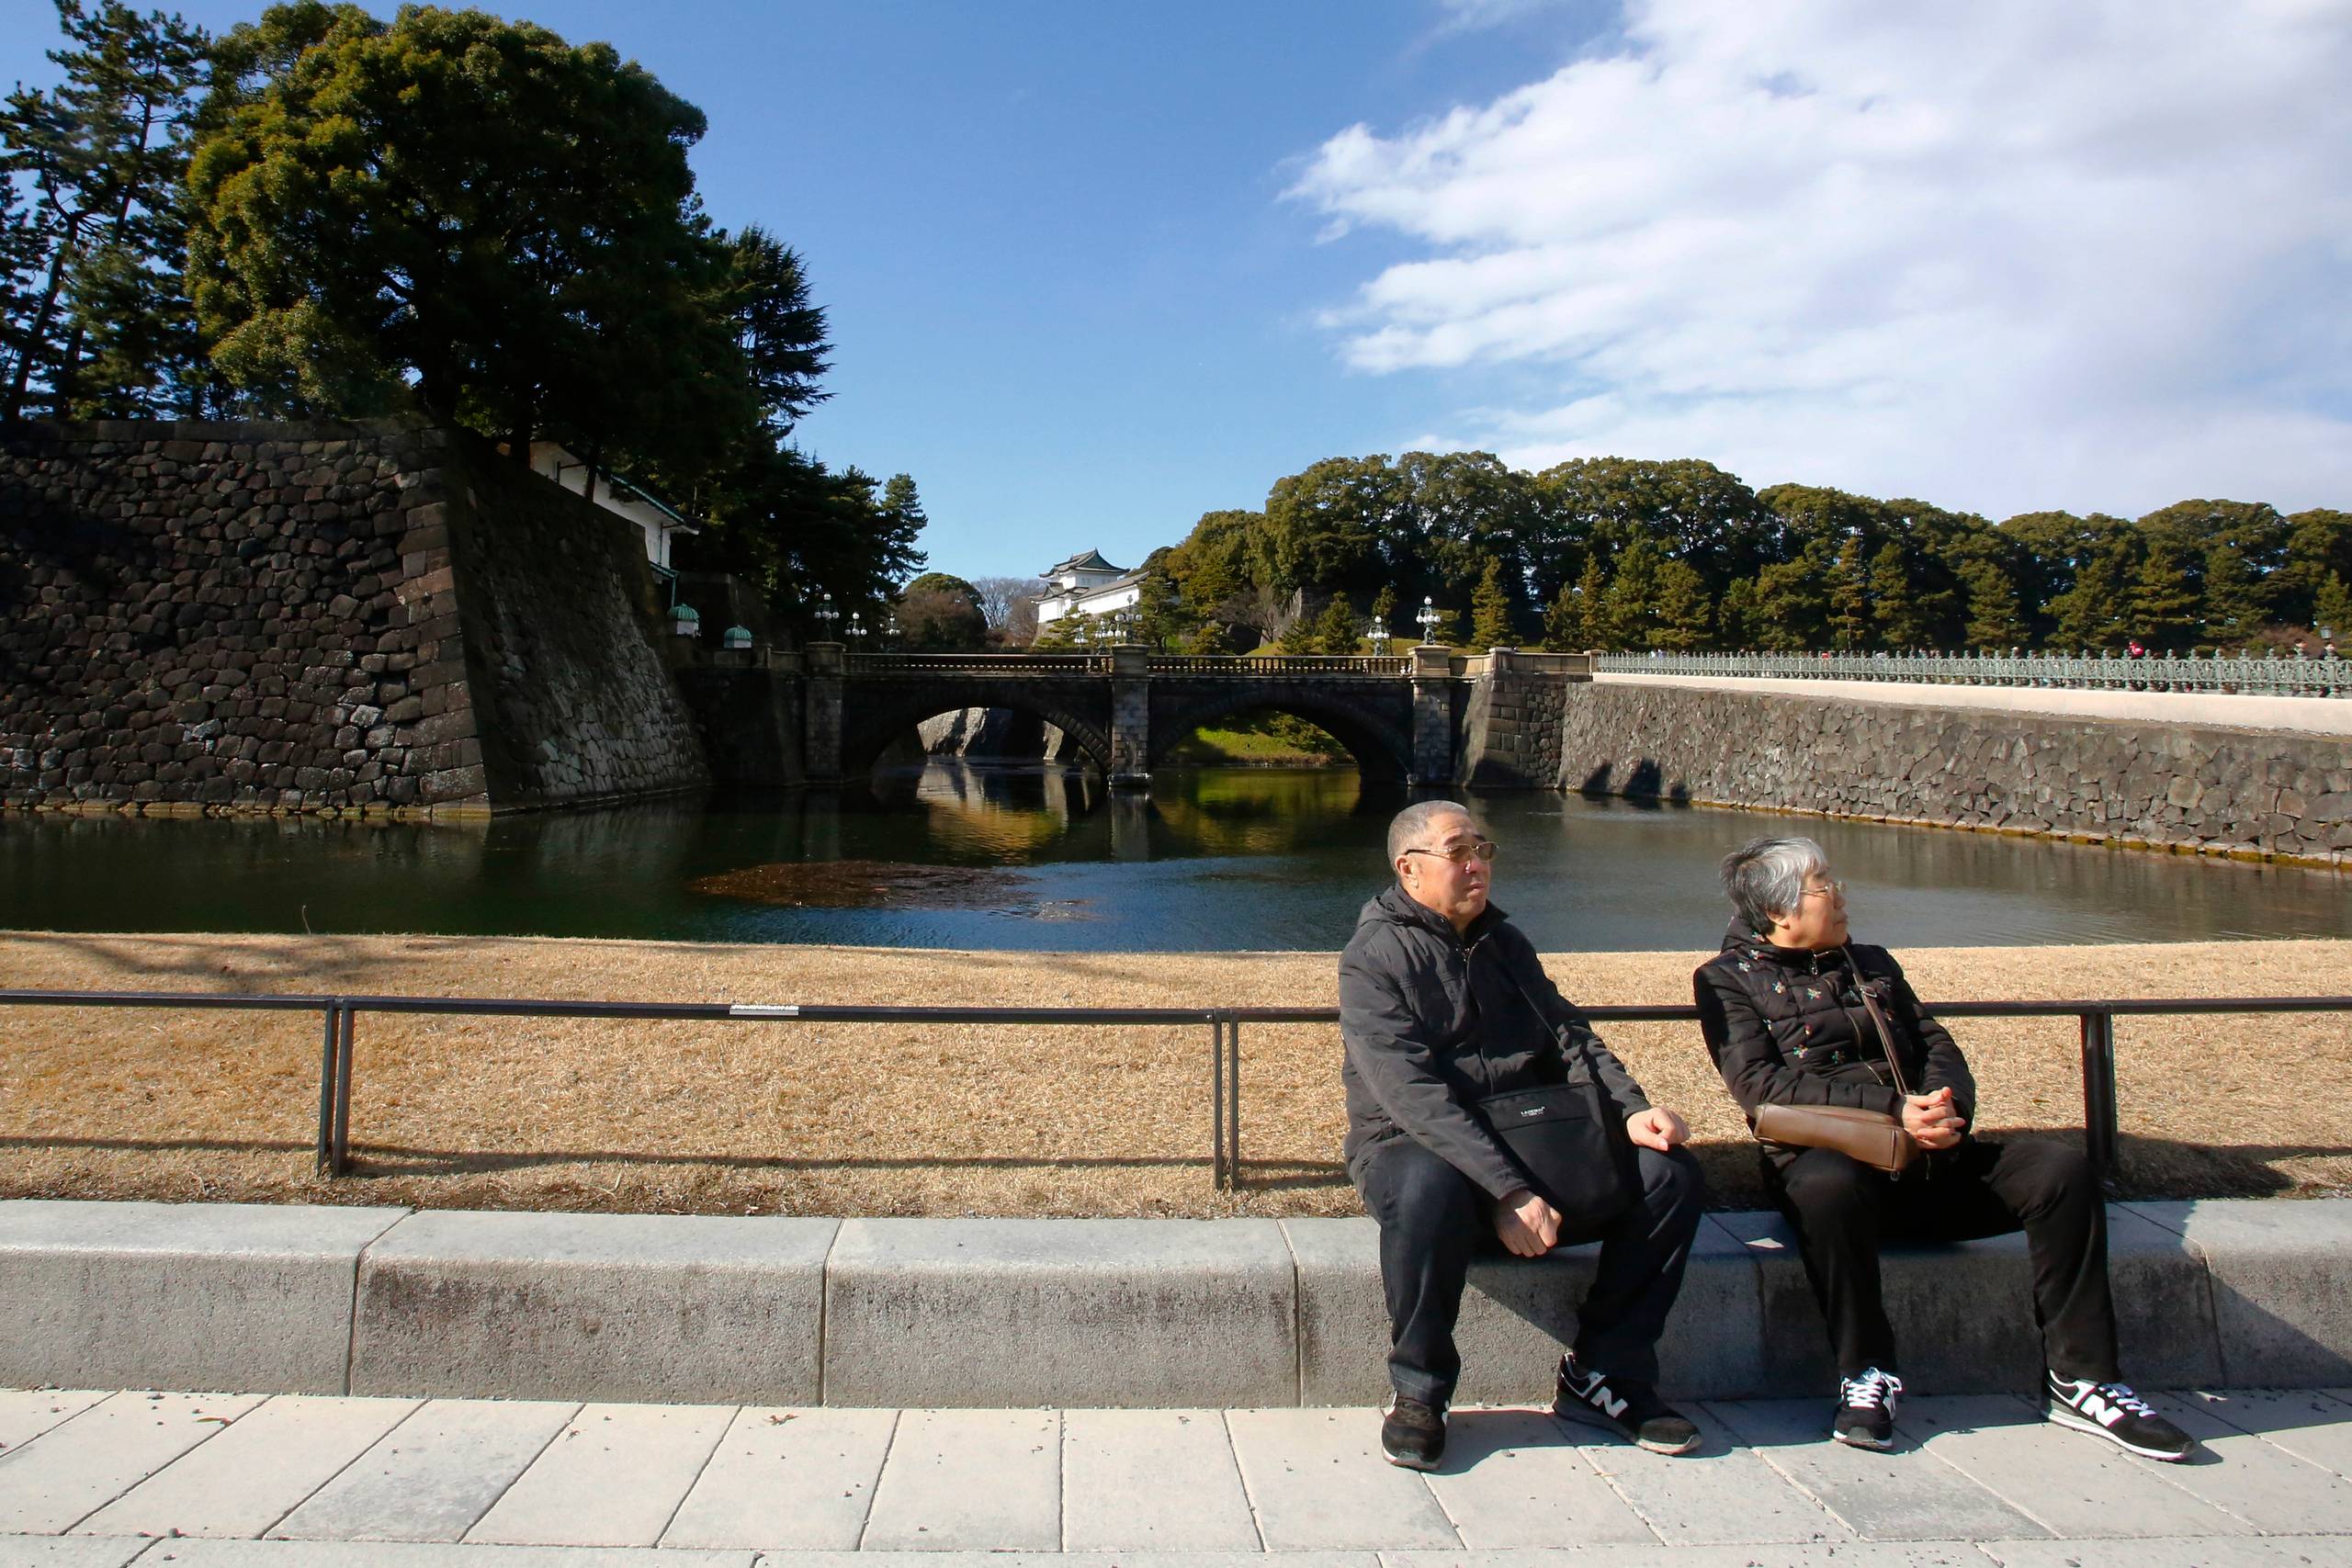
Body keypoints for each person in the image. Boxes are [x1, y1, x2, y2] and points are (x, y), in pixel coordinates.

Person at [1690, 837, 2194, 1460]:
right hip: (1835, 1172)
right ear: (1781, 911)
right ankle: (1865, 1374)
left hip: (1933, 1161)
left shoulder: (1870, 961)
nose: (1841, 893)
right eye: (1824, 884)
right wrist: (1894, 1112)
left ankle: (2082, 1377)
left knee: (2059, 1170)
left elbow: (1934, 1043)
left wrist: (1944, 1107)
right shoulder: (1726, 980)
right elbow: (1760, 1086)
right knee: (1827, 1184)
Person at [1339, 798, 1707, 1470]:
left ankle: (1604, 1371)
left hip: (1528, 1134)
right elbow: (1411, 1093)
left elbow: (1569, 1035)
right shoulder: (1374, 955)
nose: (1477, 864)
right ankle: (1420, 1390)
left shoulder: (1504, 941)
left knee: (1669, 1174)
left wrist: (1630, 1109)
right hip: (1412, 1145)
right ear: (1409, 869)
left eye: (1483, 848)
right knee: (1427, 1182)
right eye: (1458, 852)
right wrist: (1505, 1188)